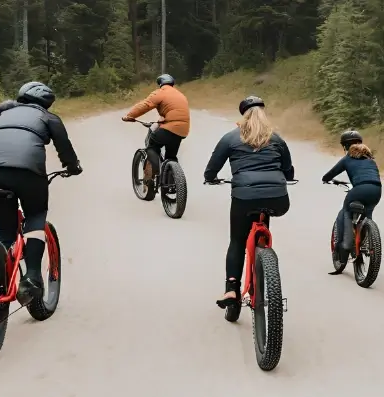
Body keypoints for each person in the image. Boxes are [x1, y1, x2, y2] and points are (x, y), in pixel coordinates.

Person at [0, 81, 83, 306]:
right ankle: (32, 277)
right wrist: (73, 167)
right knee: (35, 216)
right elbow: (65, 149)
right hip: (26, 173)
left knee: (4, 230)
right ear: (47, 103)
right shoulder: (48, 117)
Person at [204, 96, 295, 308]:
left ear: (242, 115)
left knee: (237, 241)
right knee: (265, 210)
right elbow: (289, 170)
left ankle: (232, 289)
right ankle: (264, 264)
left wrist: (210, 179)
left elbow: (211, 169)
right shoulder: (277, 138)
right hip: (279, 198)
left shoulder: (230, 138)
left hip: (244, 197)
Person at [322, 130, 382, 263]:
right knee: (368, 213)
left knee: (346, 212)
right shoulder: (371, 160)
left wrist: (326, 179)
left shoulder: (348, 158)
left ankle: (344, 245)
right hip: (376, 190)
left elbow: (329, 175)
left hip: (359, 189)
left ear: (345, 146)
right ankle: (367, 239)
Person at [122, 74, 190, 181]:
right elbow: (174, 111)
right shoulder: (181, 95)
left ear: (160, 84)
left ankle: (153, 174)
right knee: (171, 156)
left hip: (170, 127)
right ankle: (171, 181)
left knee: (153, 145)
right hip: (183, 130)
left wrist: (130, 116)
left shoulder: (161, 92)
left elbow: (145, 105)